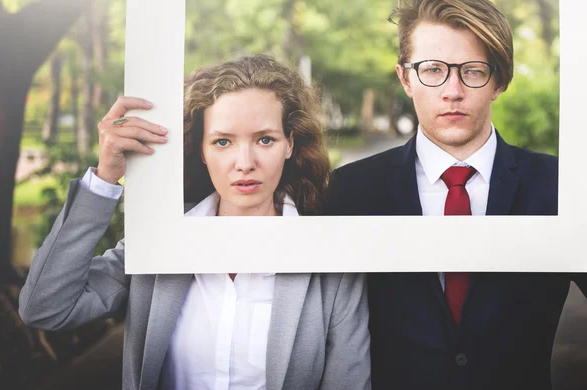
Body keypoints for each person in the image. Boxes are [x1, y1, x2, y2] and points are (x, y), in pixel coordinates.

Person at [19, 55, 371, 390]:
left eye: (265, 139)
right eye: (222, 142)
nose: (245, 162)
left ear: (290, 144)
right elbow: (46, 307)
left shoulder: (329, 258)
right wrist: (106, 177)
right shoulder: (162, 241)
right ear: (201, 150)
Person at [324, 0, 587, 390]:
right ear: (405, 78)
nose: (452, 90)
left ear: (499, 80)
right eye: (432, 69)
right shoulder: (348, 192)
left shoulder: (563, 186)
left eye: (473, 70)